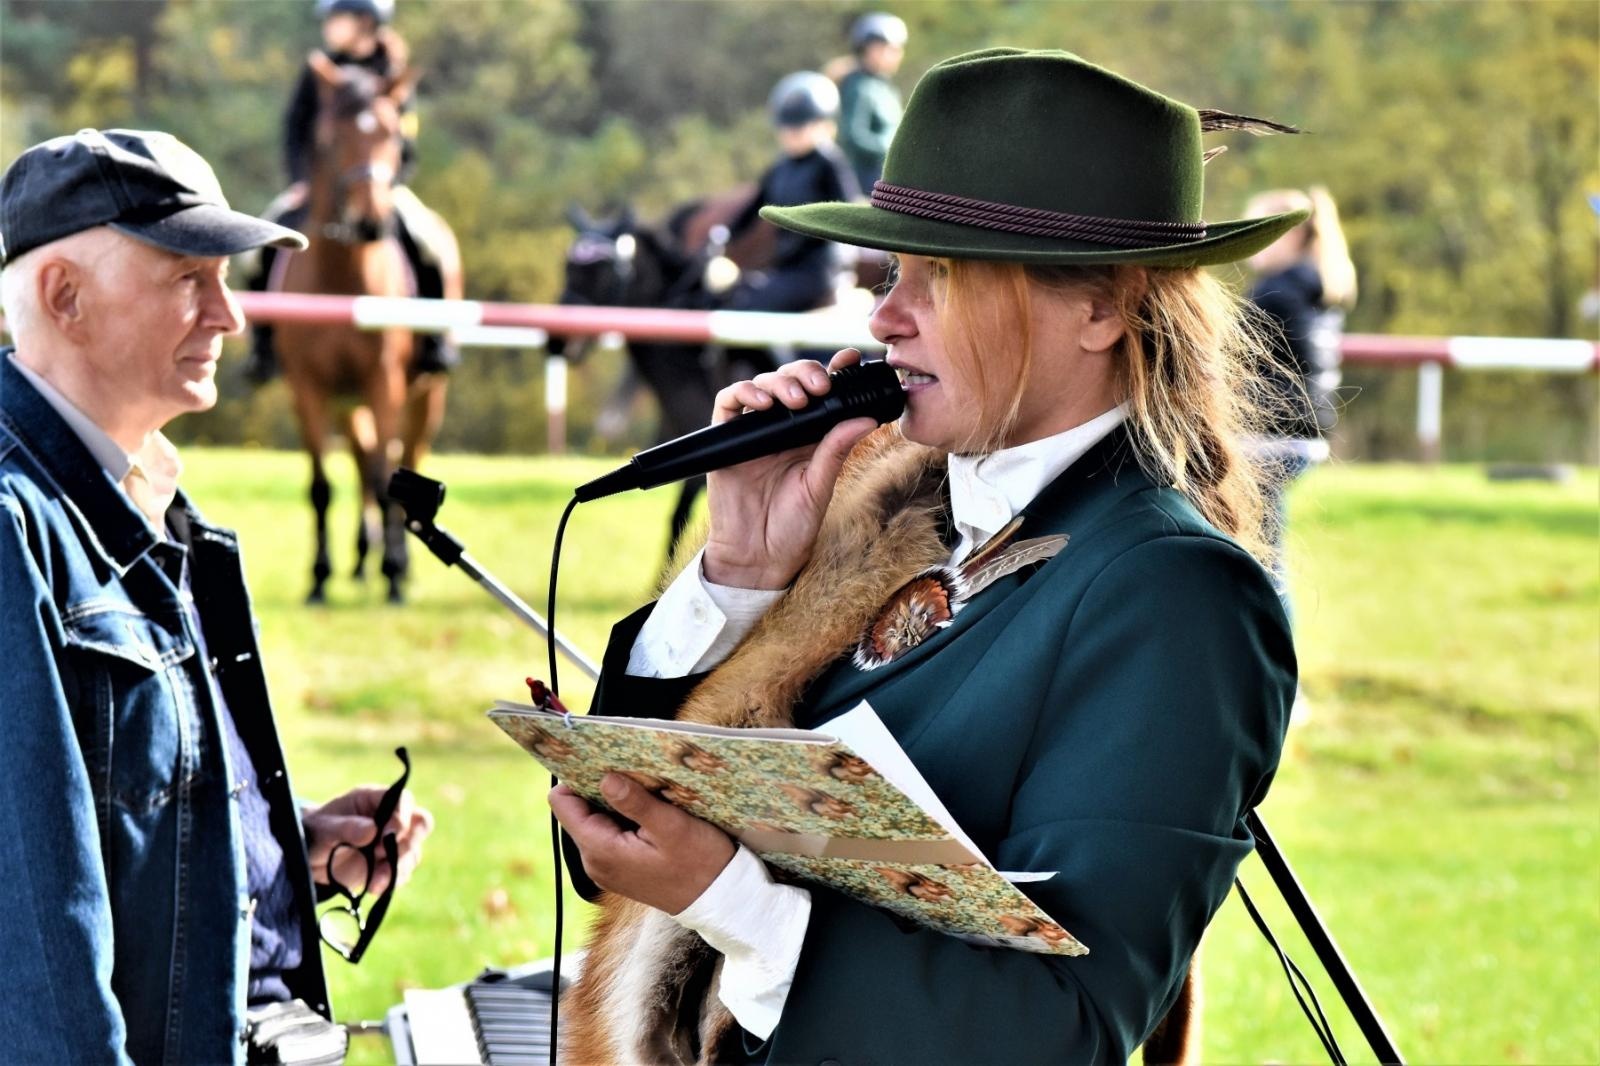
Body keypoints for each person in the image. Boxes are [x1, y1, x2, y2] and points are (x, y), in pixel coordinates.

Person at [550, 49, 1305, 1064]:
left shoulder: (1175, 595)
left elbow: (1065, 1028)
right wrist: (739, 571)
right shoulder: (882, 503)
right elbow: (605, 848)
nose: (884, 316)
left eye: (940, 275)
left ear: (1102, 307)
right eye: (891, 270)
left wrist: (732, 898)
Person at [0, 129, 434, 1064]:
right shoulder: (11, 525)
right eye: (188, 278)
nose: (230, 316)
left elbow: (119, 811)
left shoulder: (147, 493)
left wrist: (281, 847)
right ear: (63, 298)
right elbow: (35, 932)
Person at [244, 0, 455, 383]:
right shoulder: (319, 71)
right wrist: (300, 181)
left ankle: (435, 342)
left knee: (428, 244)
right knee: (259, 248)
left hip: (380, 186)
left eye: (336, 19)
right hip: (318, 187)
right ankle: (263, 346)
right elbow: (293, 128)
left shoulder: (392, 72)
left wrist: (389, 185)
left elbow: (406, 143)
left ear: (364, 22)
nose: (328, 27)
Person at [1243, 185, 1357, 602]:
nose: (1248, 242)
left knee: (1258, 560)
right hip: (1308, 435)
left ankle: (1271, 659)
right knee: (1267, 553)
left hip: (1269, 438)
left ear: (1288, 234)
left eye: (1254, 229)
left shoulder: (1274, 292)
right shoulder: (1321, 288)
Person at [722, 71, 863, 329]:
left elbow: (850, 211)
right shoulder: (781, 168)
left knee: (753, 305)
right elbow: (754, 208)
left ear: (823, 125)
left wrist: (838, 258)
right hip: (787, 266)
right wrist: (722, 237)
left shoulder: (829, 163)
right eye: (786, 127)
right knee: (737, 296)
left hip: (818, 269)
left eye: (799, 127)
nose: (790, 134)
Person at [835, 11, 908, 193]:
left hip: (889, 174)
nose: (896, 54)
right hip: (867, 180)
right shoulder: (859, 87)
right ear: (868, 49)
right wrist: (893, 147)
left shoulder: (886, 87)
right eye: (888, 48)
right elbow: (854, 136)